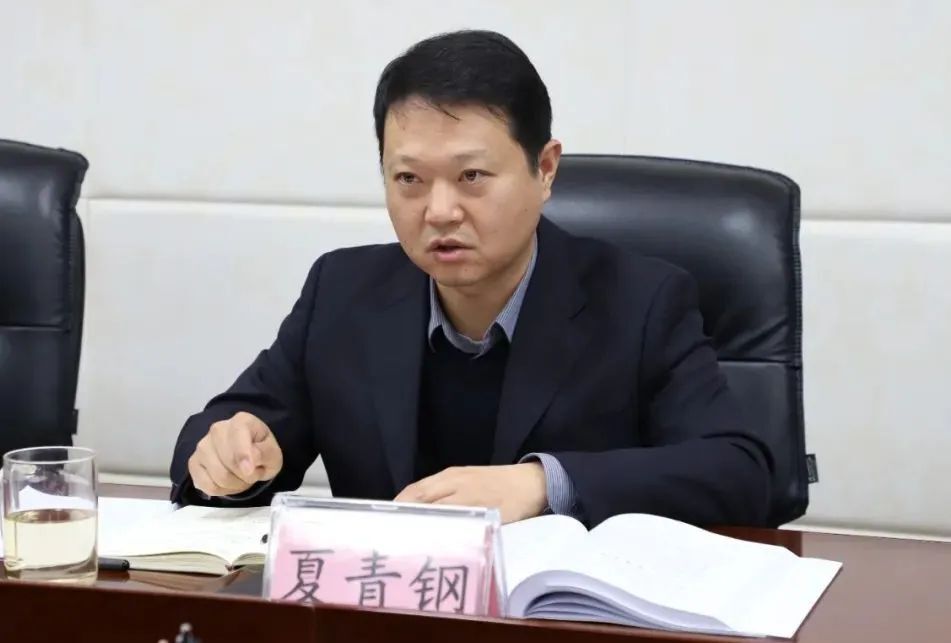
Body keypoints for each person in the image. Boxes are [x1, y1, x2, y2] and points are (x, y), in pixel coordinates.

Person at [169, 29, 772, 527]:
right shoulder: (343, 291)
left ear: (545, 169)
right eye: (409, 179)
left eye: (472, 177)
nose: (439, 211)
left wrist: (543, 484)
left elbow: (740, 473)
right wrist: (228, 456)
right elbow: (225, 434)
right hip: (386, 611)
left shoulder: (640, 302)